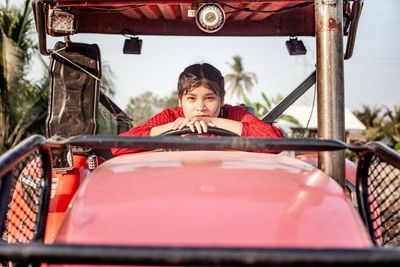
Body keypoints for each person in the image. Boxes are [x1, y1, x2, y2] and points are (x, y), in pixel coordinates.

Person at [112, 63, 283, 156]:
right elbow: (118, 147)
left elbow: (275, 141)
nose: (200, 107)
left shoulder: (235, 115)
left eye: (209, 98)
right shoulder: (171, 116)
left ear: (222, 99)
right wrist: (173, 127)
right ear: (180, 101)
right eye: (191, 99)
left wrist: (214, 121)